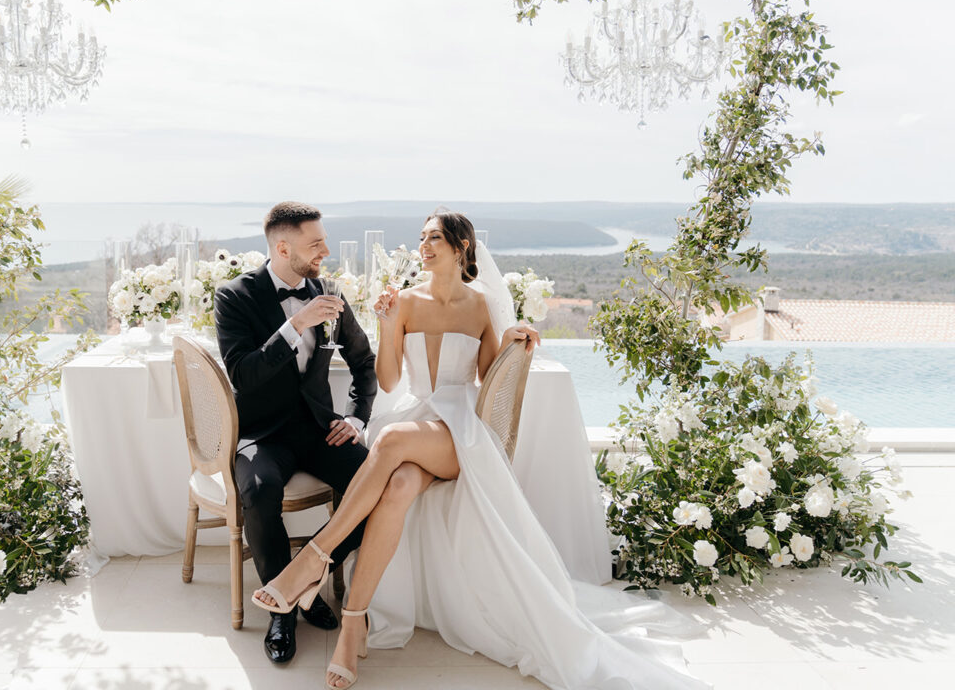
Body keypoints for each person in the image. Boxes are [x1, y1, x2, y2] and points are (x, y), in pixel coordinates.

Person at [252, 209, 709, 690]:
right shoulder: (403, 302)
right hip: (416, 416)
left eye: (433, 239)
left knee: (387, 441)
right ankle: (353, 623)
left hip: (460, 428)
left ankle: (311, 561)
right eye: (422, 238)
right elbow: (388, 380)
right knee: (399, 484)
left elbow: (490, 382)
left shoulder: (481, 306)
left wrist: (512, 342)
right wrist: (388, 323)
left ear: (461, 247)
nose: (423, 247)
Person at [213, 201, 377, 665]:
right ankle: (280, 613)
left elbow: (364, 363)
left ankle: (302, 580)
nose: (325, 250)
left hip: (318, 427)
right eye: (316, 243)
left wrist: (356, 419)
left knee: (374, 484)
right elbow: (243, 375)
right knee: (260, 490)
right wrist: (296, 324)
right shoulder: (235, 297)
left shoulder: (329, 292)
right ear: (283, 248)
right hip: (260, 433)